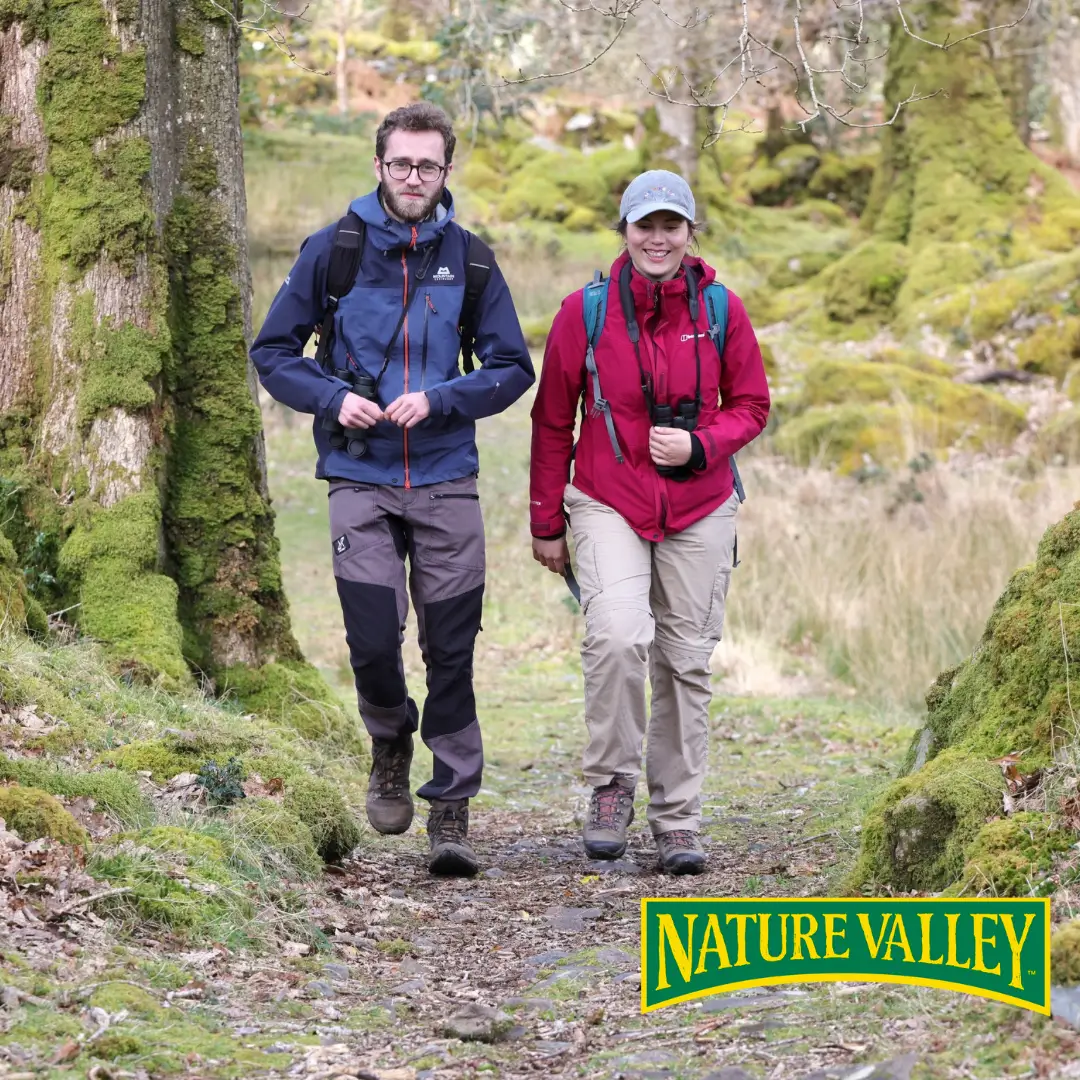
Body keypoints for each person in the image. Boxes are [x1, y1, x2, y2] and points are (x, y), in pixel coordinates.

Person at [251, 103, 534, 877]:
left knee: (452, 647)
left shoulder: (471, 261)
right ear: (379, 166)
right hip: (358, 475)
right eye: (401, 164)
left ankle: (451, 804)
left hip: (446, 477)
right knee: (373, 642)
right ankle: (387, 741)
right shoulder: (333, 251)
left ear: (447, 173)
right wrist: (331, 397)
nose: (414, 178)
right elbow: (273, 349)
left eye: (429, 166)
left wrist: (443, 398)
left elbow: (513, 367)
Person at [529, 170, 770, 875]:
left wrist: (702, 444)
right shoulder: (585, 312)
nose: (658, 238)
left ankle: (677, 820)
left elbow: (751, 404)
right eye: (645, 225)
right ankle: (611, 786)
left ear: (690, 232)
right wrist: (547, 520)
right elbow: (551, 421)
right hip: (608, 497)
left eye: (671, 225)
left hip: (700, 504)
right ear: (625, 231)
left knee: (685, 659)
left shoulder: (721, 308)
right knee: (616, 634)